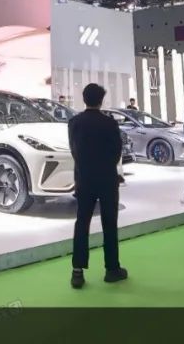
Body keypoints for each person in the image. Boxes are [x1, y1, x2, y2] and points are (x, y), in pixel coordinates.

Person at [67, 83, 126, 290]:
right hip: (107, 179)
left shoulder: (74, 123)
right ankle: (112, 269)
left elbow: (74, 150)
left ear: (84, 99)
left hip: (84, 179)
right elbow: (116, 151)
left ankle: (77, 272)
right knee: (109, 224)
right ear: (101, 100)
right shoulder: (109, 123)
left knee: (82, 223)